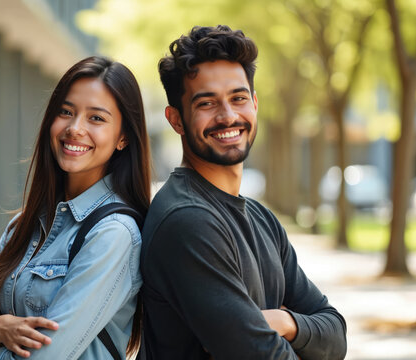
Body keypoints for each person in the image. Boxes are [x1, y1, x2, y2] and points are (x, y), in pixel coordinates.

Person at [140, 25, 347, 360]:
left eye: (238, 98)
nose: (228, 116)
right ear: (176, 120)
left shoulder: (261, 218)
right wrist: (298, 335)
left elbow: (336, 336)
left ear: (254, 103)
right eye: (206, 103)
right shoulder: (187, 220)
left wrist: (284, 321)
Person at [0, 56, 151, 360]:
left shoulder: (113, 233)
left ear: (123, 138)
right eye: (66, 112)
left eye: (96, 118)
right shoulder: (27, 224)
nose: (75, 128)